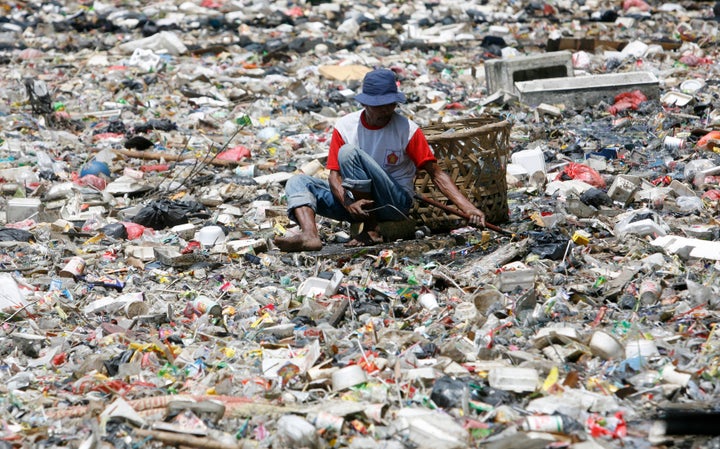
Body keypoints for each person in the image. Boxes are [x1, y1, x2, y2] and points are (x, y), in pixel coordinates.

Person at [274, 68, 485, 252]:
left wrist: (468, 208)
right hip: (355, 205)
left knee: (349, 153)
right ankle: (310, 235)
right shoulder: (346, 126)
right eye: (380, 105)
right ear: (366, 104)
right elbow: (334, 176)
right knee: (298, 182)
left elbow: (436, 174)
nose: (386, 110)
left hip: (392, 202)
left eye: (390, 104)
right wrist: (348, 203)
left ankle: (372, 229)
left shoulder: (407, 129)